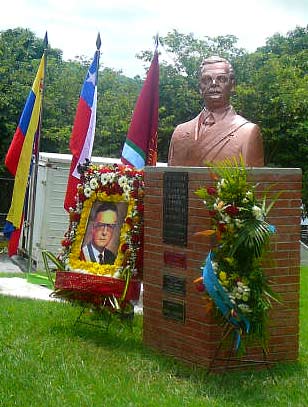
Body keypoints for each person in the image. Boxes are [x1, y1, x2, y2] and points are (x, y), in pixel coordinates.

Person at [168, 56, 264, 167]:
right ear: (200, 87)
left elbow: (252, 182)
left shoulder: (248, 132)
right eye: (206, 80)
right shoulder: (179, 132)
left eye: (221, 79)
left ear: (232, 86)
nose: (214, 84)